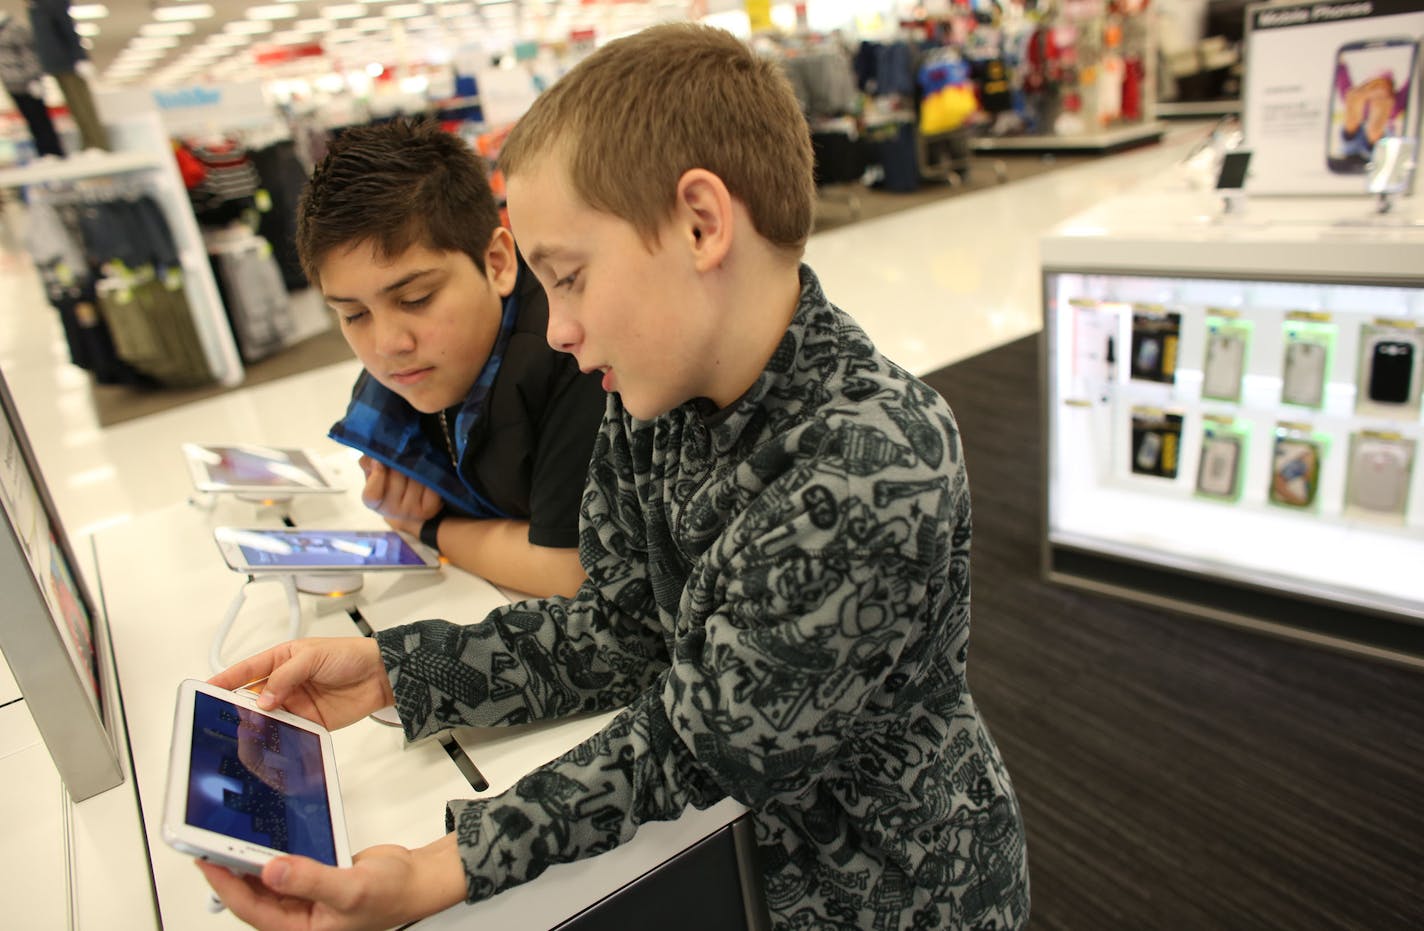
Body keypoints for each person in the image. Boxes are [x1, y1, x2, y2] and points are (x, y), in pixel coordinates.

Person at [202, 23, 1030, 931]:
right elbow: (622, 629)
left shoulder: (872, 461)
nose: (554, 330)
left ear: (701, 224)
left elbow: (694, 742)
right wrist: (396, 669)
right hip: (739, 856)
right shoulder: (660, 402)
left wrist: (439, 867)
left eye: (568, 278)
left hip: (889, 888)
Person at [299, 119, 605, 598]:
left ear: (498, 263)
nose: (386, 344)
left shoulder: (575, 353)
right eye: (354, 314)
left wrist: (426, 528)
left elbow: (570, 571)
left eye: (417, 298)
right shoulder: (401, 383)